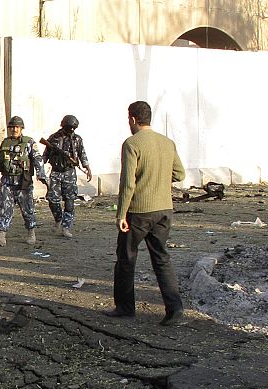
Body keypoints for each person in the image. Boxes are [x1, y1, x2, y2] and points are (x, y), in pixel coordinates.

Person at [104, 100, 186, 326]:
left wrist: (121, 214)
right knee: (161, 258)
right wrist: (158, 178)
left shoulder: (132, 143)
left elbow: (128, 183)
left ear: (132, 119)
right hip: (164, 209)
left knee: (126, 258)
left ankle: (125, 308)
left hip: (139, 211)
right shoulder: (167, 142)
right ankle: (175, 309)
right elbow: (179, 174)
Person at [0, 116, 47, 246]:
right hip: (7, 181)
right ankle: (1, 236)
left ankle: (31, 233)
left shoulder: (29, 142)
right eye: (12, 127)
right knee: (5, 208)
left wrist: (42, 175)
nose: (14, 130)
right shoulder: (5, 143)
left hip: (23, 181)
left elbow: (37, 159)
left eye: (17, 127)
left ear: (21, 129)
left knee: (27, 209)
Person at [42, 115, 91, 238]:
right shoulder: (54, 138)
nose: (71, 130)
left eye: (73, 128)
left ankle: (66, 227)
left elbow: (82, 153)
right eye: (69, 128)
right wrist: (39, 168)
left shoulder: (77, 139)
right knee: (52, 199)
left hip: (69, 172)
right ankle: (58, 219)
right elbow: (45, 155)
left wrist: (87, 167)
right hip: (56, 172)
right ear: (63, 126)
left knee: (70, 200)